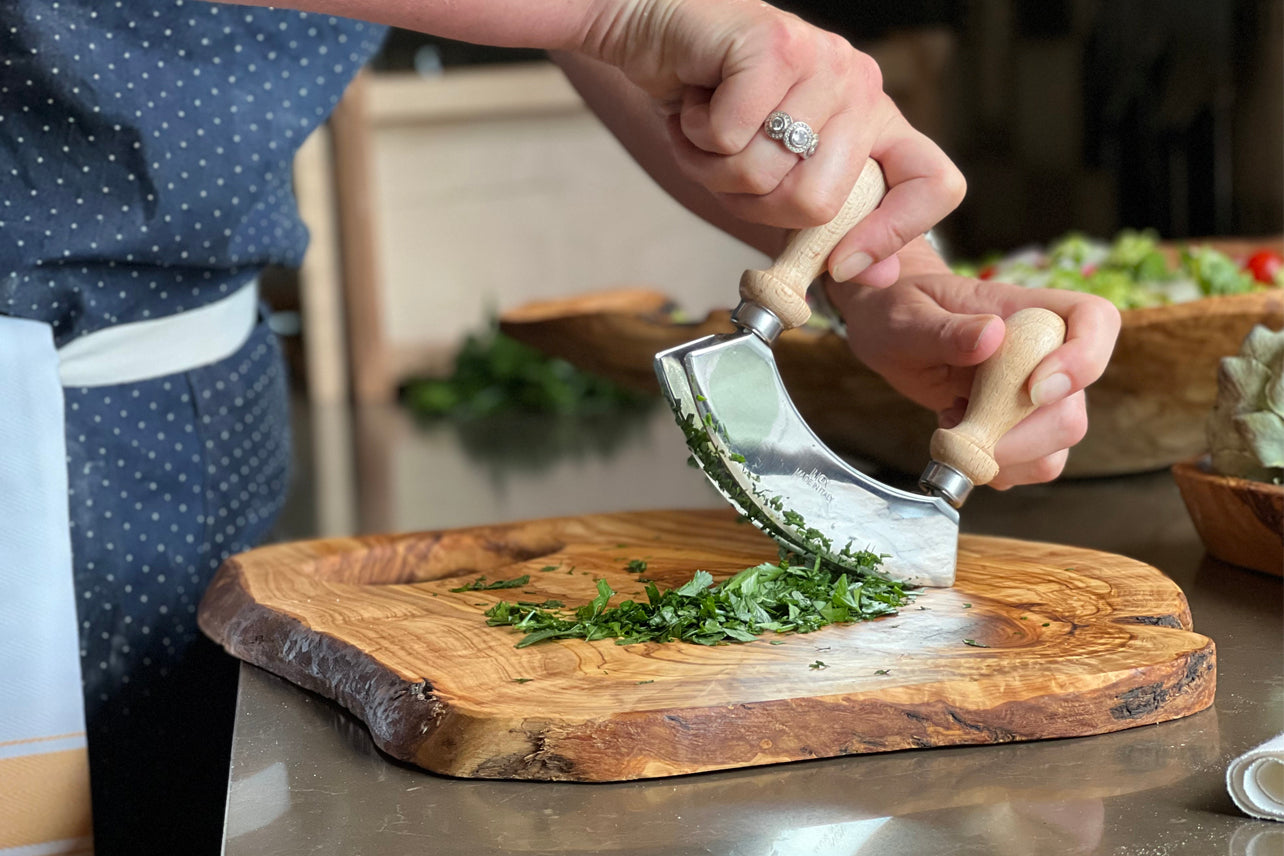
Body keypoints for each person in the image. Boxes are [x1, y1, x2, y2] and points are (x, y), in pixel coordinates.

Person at [0, 1, 1119, 853]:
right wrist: (621, 12)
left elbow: (645, 59)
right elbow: (624, 28)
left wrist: (883, 276)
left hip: (196, 424)